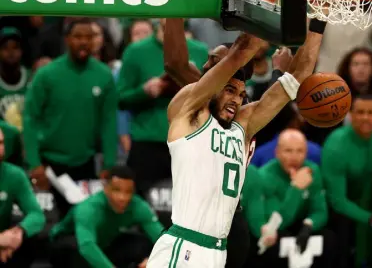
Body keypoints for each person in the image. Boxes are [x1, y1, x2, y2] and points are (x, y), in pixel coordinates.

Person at [147, 17, 327, 268]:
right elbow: (239, 52)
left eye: (242, 95)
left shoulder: (242, 128)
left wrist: (320, 20)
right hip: (184, 246)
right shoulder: (190, 113)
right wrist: (261, 7)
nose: (237, 99)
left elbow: (299, 75)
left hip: (218, 250)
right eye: (230, 90)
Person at [23, 18, 118, 218]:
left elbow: (109, 122)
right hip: (49, 166)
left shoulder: (103, 75)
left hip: (86, 164)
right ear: (67, 39)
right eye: (78, 36)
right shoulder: (47, 75)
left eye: (89, 37)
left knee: (83, 222)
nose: (83, 41)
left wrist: (109, 163)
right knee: (48, 226)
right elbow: (30, 118)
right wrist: (34, 163)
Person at [117, 19, 208, 198]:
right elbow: (120, 99)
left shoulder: (199, 50)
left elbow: (211, 97)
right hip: (148, 143)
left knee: (190, 203)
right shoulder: (136, 51)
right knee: (143, 203)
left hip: (189, 141)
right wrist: (144, 91)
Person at [321, 94, 372, 268]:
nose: (365, 118)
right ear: (350, 115)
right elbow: (337, 201)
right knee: (344, 248)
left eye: (371, 113)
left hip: (363, 197)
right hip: (335, 206)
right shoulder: (336, 145)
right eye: (360, 112)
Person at [49, 166, 164, 268]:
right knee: (76, 250)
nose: (122, 197)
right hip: (69, 243)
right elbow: (86, 247)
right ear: (105, 188)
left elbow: (162, 238)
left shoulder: (138, 206)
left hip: (104, 245)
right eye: (116, 190)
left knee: (141, 243)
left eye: (128, 192)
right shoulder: (88, 209)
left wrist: (154, 260)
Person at [251, 129, 334, 268]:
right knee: (277, 243)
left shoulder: (312, 170)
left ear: (306, 153)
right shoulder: (265, 176)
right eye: (288, 151)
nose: (294, 157)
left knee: (329, 238)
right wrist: (296, 189)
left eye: (299, 151)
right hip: (274, 230)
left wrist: (308, 225)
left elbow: (320, 211)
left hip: (300, 225)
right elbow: (278, 223)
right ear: (277, 152)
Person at [0, 128, 46, 268]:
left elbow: (37, 214)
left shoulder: (14, 175)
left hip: (6, 245)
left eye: (1, 143)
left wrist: (19, 232)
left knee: (30, 245)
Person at [0, 27, 30, 131]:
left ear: (21, 51)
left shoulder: (31, 78)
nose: (10, 52)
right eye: (5, 48)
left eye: (15, 47)